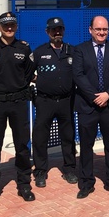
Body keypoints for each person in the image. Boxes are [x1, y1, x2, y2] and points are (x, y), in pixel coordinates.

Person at [0, 12, 37, 206]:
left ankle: (24, 184)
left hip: (19, 102)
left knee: (22, 146)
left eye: (12, 25)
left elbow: (30, 72)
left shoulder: (24, 47)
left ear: (16, 26)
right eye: (5, 26)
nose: (9, 28)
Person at [72, 16, 109, 199]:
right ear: (90, 30)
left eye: (105, 30)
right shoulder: (80, 50)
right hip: (88, 105)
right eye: (98, 29)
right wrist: (95, 97)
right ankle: (86, 183)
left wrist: (107, 95)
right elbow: (78, 76)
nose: (102, 33)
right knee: (86, 146)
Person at [31, 17, 78, 188]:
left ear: (64, 31)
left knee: (68, 137)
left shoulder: (72, 51)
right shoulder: (39, 52)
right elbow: (26, 71)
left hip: (67, 101)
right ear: (47, 32)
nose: (57, 32)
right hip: (45, 101)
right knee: (40, 138)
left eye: (60, 29)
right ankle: (41, 171)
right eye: (53, 30)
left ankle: (70, 169)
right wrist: (40, 81)